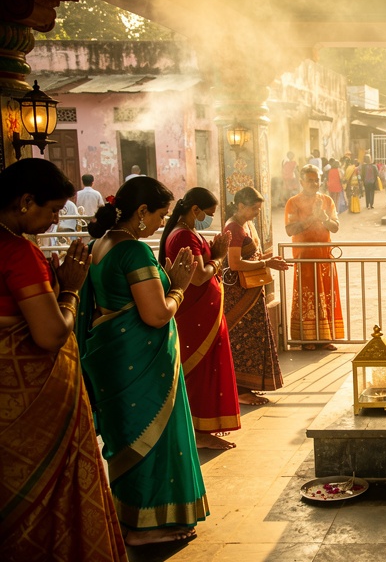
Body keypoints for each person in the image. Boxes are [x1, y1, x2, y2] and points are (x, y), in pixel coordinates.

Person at [0, 159, 127, 560]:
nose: (57, 220)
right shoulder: (17, 252)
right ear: (25, 201)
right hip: (30, 408)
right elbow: (51, 334)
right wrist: (70, 290)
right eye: (53, 209)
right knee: (38, 501)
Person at [77, 175, 208, 545]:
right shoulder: (134, 250)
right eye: (158, 214)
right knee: (150, 435)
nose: (158, 223)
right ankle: (147, 527)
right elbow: (155, 314)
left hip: (115, 359)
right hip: (141, 361)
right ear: (140, 211)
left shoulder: (102, 244)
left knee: (127, 433)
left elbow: (119, 300)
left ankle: (131, 517)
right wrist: (178, 287)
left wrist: (165, 279)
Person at [159, 187, 240, 450]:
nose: (210, 218)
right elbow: (199, 276)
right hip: (193, 315)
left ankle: (204, 428)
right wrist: (218, 256)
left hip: (204, 314)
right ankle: (197, 433)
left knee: (208, 370)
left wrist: (214, 252)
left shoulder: (189, 231)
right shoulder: (182, 235)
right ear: (195, 210)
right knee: (198, 374)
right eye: (209, 213)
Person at [223, 187, 289, 404]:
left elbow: (250, 254)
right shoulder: (234, 227)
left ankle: (249, 385)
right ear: (240, 206)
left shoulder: (245, 225)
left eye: (258, 209)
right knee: (241, 339)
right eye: (253, 208)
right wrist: (266, 262)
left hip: (251, 290)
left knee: (253, 337)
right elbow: (234, 263)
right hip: (239, 293)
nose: (256, 213)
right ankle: (240, 390)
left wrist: (266, 258)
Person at [286, 164, 344, 349]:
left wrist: (324, 217)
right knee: (307, 297)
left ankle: (325, 338)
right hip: (304, 258)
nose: (314, 183)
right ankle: (307, 339)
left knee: (325, 296)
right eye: (310, 180)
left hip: (324, 257)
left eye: (317, 179)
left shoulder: (327, 201)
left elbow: (335, 227)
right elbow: (290, 230)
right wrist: (312, 218)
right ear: (301, 181)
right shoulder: (293, 202)